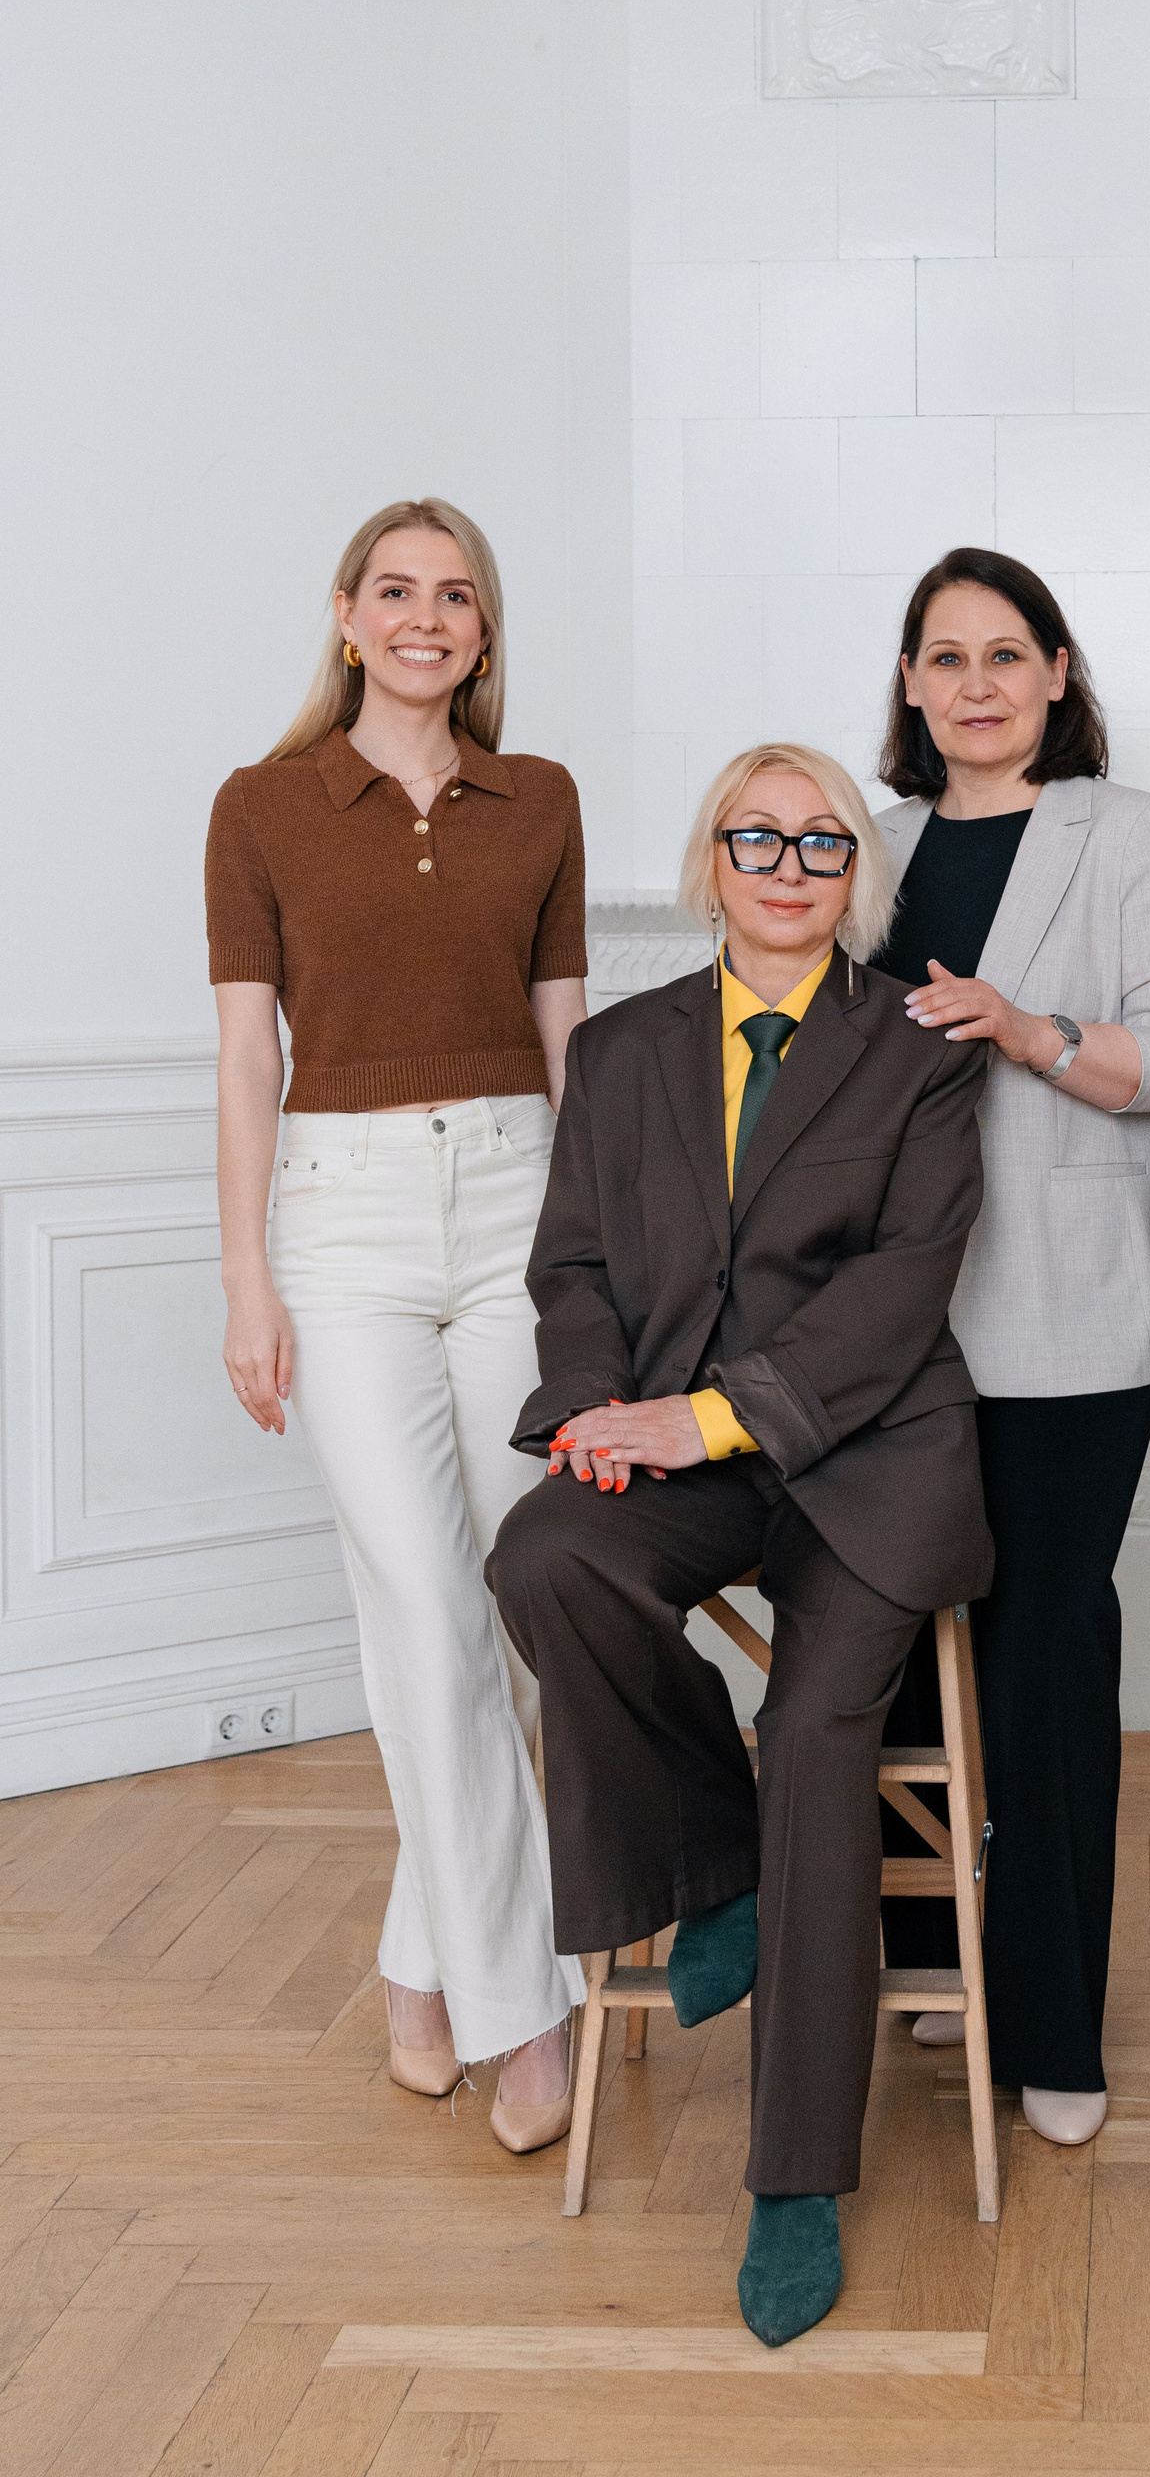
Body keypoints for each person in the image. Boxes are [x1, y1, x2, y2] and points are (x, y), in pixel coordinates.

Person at [484, 743, 991, 2347]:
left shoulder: (915, 1049)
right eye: (756, 839)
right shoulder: (621, 1050)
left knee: (822, 1739)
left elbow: (902, 1289)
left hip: (867, 1456)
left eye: (823, 843)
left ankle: (796, 2179)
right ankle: (721, 1869)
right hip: (670, 1439)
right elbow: (573, 1266)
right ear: (711, 862)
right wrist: (592, 1411)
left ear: (858, 878)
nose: (788, 866)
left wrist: (703, 1422)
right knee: (544, 1557)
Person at [206, 497, 589, 2152]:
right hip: (341, 1218)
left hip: (517, 1207)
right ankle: (529, 2014)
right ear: (349, 616)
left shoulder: (540, 799)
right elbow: (248, 1059)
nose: (427, 617)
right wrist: (248, 1281)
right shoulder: (261, 805)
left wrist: (598, 1263)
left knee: (505, 1602)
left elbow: (569, 1042)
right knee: (424, 1604)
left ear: (483, 630)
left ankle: (419, 1964)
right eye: (396, 591)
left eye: (457, 595)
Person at [871, 549, 1150, 2148]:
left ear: (1059, 673)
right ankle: (927, 1964)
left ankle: (1053, 2025)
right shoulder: (871, 845)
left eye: (1006, 653)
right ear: (909, 686)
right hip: (891, 1317)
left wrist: (1028, 1030)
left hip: (1073, 1310)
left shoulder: (1133, 833)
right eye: (945, 657)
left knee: (1041, 1650)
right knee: (886, 1638)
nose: (976, 684)